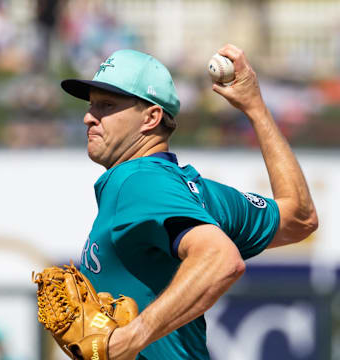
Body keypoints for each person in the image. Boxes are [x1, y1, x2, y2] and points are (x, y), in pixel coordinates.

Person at [61, 44, 318, 360]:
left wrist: (131, 338)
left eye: (107, 105)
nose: (89, 117)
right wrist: (256, 108)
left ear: (151, 117)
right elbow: (299, 217)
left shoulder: (138, 182)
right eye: (91, 106)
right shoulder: (197, 192)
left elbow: (220, 259)